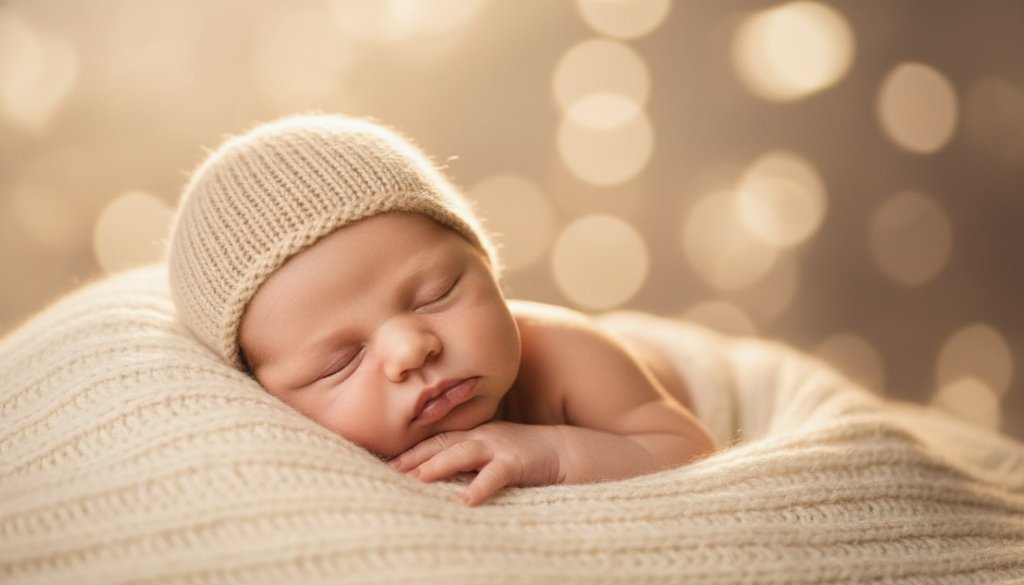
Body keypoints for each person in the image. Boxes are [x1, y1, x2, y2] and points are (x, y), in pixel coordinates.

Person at [167, 114, 717, 506]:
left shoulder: (567, 355)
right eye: (340, 361)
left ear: (486, 264)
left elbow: (691, 452)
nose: (411, 349)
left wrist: (552, 449)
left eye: (437, 293)